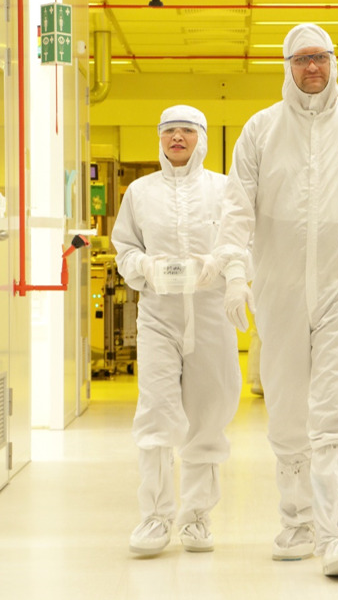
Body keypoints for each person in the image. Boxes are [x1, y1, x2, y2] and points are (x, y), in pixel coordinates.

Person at [210, 23, 338, 577]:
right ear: (287, 66)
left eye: (320, 57)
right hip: (277, 290)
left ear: (333, 63)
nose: (312, 68)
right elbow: (236, 210)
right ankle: (297, 521)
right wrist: (233, 272)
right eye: (301, 59)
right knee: (286, 406)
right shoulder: (260, 131)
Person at [112, 105, 242, 556]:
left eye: (187, 130)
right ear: (159, 138)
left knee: (209, 415)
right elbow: (124, 247)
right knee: (156, 414)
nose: (177, 138)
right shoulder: (140, 192)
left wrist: (215, 267)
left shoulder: (225, 189)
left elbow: (241, 242)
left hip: (211, 314)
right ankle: (154, 518)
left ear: (201, 138)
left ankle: (197, 519)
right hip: (159, 315)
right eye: (169, 131)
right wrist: (144, 266)